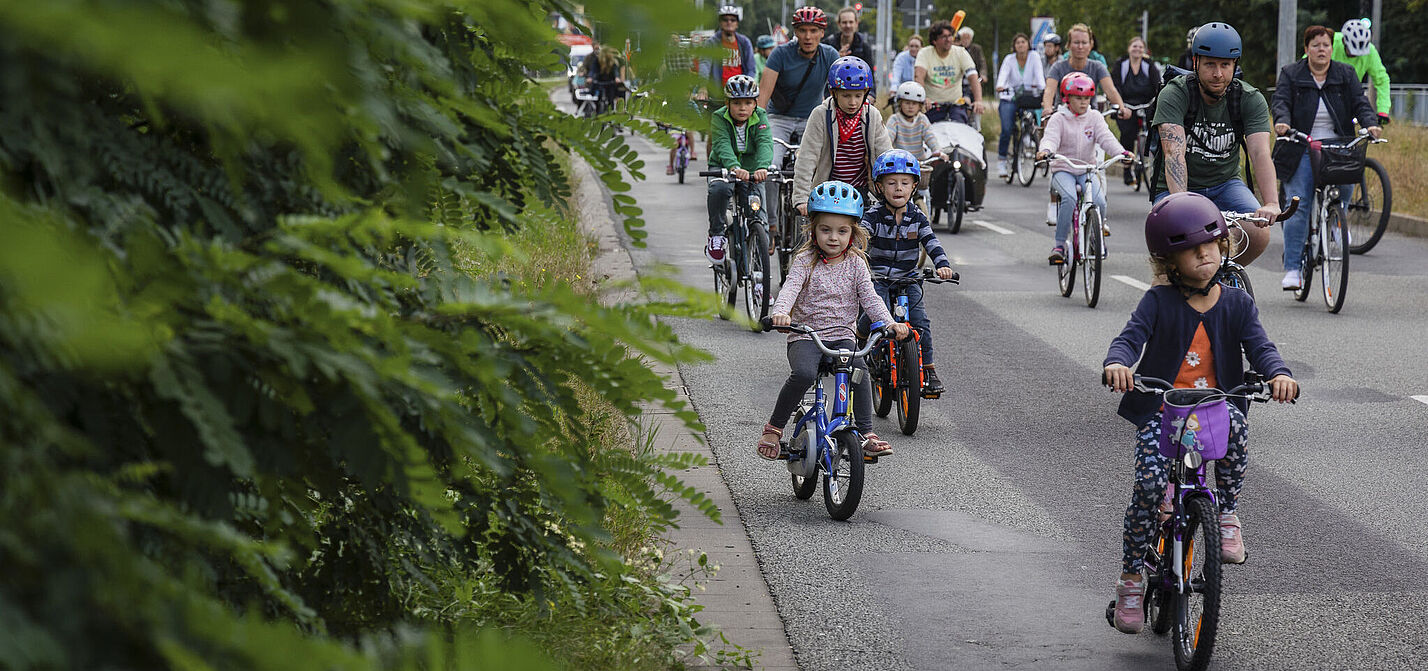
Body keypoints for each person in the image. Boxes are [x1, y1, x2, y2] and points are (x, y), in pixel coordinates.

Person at [1102, 191, 1298, 634]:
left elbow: (1261, 348)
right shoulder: (1158, 301)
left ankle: (1226, 514)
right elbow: (1130, 338)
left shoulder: (1237, 303)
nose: (1204, 254)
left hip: (1214, 409)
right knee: (1150, 487)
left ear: (1224, 245)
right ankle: (1132, 578)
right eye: (1190, 250)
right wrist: (1117, 363)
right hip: (1163, 410)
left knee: (1239, 424)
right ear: (1170, 262)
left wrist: (1278, 374)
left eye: (1210, 244)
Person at [761, 181, 910, 460]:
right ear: (812, 229)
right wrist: (781, 313)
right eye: (825, 230)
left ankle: (866, 433)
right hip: (806, 335)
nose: (833, 238)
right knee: (804, 373)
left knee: (859, 370)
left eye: (842, 231)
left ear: (853, 233)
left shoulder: (857, 263)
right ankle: (774, 427)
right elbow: (790, 289)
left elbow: (871, 298)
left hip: (842, 335)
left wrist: (889, 323)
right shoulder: (805, 260)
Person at [1150, 22, 1280, 268]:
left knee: (1259, 233)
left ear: (1235, 65)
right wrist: (1184, 208)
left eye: (1225, 65)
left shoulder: (1250, 99)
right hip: (1177, 189)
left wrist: (1271, 202)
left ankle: (1225, 275)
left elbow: (1260, 152)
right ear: (1196, 62)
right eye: (1210, 64)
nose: (1218, 73)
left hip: (1225, 184)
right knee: (1174, 253)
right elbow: (1173, 153)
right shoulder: (1175, 94)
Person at [1271, 25, 1381, 290]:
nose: (1322, 50)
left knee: (1344, 187)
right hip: (1301, 145)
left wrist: (1370, 124)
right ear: (1306, 48)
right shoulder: (1291, 73)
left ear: (1333, 49)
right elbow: (1281, 101)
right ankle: (1294, 269)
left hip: (1338, 146)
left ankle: (1336, 221)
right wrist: (1283, 122)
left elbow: (1360, 102)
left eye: (1326, 45)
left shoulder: (1345, 73)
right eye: (1316, 45)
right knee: (1300, 203)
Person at [861, 150, 957, 395]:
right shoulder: (873, 215)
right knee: (876, 316)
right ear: (880, 187)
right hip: (879, 277)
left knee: (920, 322)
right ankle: (861, 338)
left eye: (905, 183)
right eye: (891, 183)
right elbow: (860, 236)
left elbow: (931, 241)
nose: (898, 189)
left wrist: (942, 264)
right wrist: (853, 251)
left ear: (914, 186)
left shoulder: (917, 216)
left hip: (908, 278)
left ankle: (928, 369)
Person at [1037, 72, 1133, 264]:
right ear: (1066, 98)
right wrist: (1045, 150)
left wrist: (1121, 153)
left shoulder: (1095, 117)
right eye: (1078, 98)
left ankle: (1095, 239)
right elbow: (1051, 138)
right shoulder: (1058, 118)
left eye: (1087, 99)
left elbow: (1106, 139)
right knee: (1070, 198)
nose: (1083, 103)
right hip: (1063, 169)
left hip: (1087, 170)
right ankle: (1059, 245)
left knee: (1100, 201)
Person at [791, 56, 892, 216]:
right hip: (827, 191)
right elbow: (807, 159)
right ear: (833, 93)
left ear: (866, 93)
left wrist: (890, 194)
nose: (853, 102)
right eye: (846, 96)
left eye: (858, 96)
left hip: (861, 192)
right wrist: (801, 198)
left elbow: (885, 156)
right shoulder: (821, 115)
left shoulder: (872, 115)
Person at [757, 6, 840, 170]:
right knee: (769, 166)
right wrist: (758, 128)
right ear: (795, 32)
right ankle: (769, 196)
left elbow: (839, 96)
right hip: (778, 119)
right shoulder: (780, 54)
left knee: (819, 166)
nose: (808, 37)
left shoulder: (830, 55)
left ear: (822, 33)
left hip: (812, 120)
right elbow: (763, 98)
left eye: (814, 30)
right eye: (802, 30)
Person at [704, 75, 774, 265]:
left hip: (752, 171)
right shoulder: (719, 117)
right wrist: (733, 167)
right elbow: (722, 144)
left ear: (755, 104)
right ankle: (716, 235)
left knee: (759, 217)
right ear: (727, 103)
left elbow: (765, 143)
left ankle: (760, 281)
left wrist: (762, 167)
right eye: (736, 103)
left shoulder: (761, 117)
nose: (742, 108)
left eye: (747, 103)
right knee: (719, 190)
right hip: (723, 167)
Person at [1041, 24, 1129, 119]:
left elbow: (1110, 90)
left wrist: (1121, 108)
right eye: (1076, 42)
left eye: (1084, 43)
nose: (1080, 47)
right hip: (1063, 117)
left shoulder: (1098, 67)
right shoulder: (1058, 67)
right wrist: (1047, 108)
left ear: (1090, 45)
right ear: (1069, 45)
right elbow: (1049, 90)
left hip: (1091, 117)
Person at [1111, 36, 1161, 184]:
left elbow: (1157, 84)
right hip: (1126, 105)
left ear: (1144, 50)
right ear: (1129, 49)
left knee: (1153, 131)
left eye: (1140, 47)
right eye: (1134, 46)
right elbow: (1115, 85)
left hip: (1146, 104)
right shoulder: (1121, 64)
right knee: (1127, 135)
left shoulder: (1149, 65)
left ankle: (1147, 161)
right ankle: (1127, 169)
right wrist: (1120, 104)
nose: (1137, 49)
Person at [996, 32, 1045, 177]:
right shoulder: (1009, 59)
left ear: (1028, 44)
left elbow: (1039, 75)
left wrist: (1042, 87)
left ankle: (1027, 140)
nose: (1021, 45)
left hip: (1028, 97)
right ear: (1014, 46)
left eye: (1023, 42)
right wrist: (1000, 86)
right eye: (1018, 43)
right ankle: (1002, 160)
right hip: (1009, 97)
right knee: (1007, 128)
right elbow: (1003, 76)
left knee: (1032, 120)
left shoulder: (1034, 57)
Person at [915, 20, 984, 123]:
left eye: (950, 36)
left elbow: (973, 78)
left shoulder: (960, 52)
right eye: (944, 37)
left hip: (955, 104)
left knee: (960, 127)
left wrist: (978, 101)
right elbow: (918, 77)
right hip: (932, 105)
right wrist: (923, 98)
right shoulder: (925, 53)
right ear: (934, 40)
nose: (948, 40)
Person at [885, 82, 944, 196]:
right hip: (900, 164)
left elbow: (930, 136)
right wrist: (887, 152)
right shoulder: (894, 119)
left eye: (914, 103)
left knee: (925, 193)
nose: (910, 106)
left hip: (919, 163)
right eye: (907, 103)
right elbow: (888, 138)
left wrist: (937, 151)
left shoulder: (922, 119)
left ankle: (927, 213)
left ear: (920, 106)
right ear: (900, 103)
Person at [1333, 18, 1392, 123]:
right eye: (1352, 52)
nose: (1355, 56)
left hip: (1349, 95)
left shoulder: (1371, 51)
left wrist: (1383, 110)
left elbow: (1382, 79)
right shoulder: (1331, 42)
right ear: (1343, 41)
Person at [698, 5, 757, 95]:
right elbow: (705, 64)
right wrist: (703, 87)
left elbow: (751, 68)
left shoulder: (744, 42)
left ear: (737, 24)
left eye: (732, 20)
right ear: (720, 23)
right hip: (717, 93)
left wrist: (747, 88)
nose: (729, 22)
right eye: (725, 20)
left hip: (740, 93)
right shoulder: (711, 43)